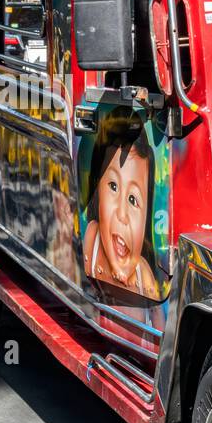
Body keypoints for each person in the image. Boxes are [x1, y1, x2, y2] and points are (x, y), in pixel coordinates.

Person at [83, 122, 160, 300]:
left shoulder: (144, 275)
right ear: (97, 194)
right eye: (113, 186)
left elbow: (159, 320)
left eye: (133, 199)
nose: (122, 214)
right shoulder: (92, 236)